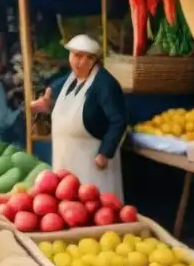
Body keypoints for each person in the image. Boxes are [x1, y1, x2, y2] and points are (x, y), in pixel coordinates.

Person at [29, 35, 127, 196]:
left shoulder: (105, 84)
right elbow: (52, 93)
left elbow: (118, 120)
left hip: (92, 163)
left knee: (94, 207)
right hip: (65, 161)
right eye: (74, 55)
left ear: (93, 59)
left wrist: (105, 153)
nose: (77, 62)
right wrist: (46, 101)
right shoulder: (68, 80)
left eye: (82, 57)